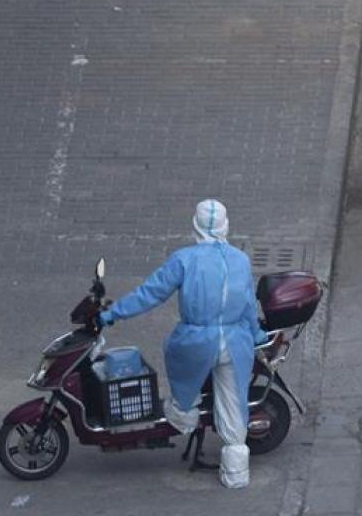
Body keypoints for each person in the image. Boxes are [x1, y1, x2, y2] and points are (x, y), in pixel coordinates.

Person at [98, 199, 267, 489]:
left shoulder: (184, 259)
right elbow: (250, 306)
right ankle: (236, 475)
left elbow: (150, 294)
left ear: (196, 226)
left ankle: (184, 417)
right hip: (236, 342)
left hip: (196, 342)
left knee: (181, 380)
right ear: (226, 226)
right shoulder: (241, 260)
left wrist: (112, 314)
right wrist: (257, 337)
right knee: (233, 403)